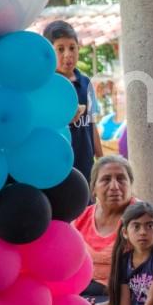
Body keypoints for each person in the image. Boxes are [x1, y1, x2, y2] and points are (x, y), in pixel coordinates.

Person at [74, 156, 139, 305]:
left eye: (121, 179)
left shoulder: (143, 220)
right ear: (93, 188)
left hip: (125, 298)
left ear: (130, 185)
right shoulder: (81, 217)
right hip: (83, 294)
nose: (114, 186)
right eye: (106, 179)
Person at [43, 20, 103, 184]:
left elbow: (92, 125)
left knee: (89, 207)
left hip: (86, 165)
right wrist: (65, 119)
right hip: (57, 166)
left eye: (72, 47)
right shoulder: (45, 86)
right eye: (60, 49)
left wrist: (102, 161)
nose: (67, 54)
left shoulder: (86, 83)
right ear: (48, 52)